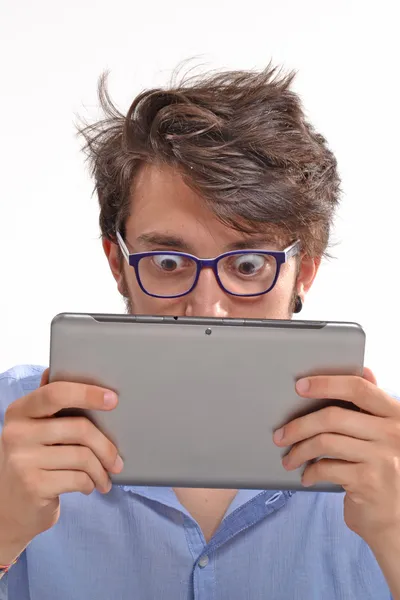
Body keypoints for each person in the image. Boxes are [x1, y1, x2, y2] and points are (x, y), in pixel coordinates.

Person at [0, 64, 399, 600]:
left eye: (249, 265)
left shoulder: (386, 464)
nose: (207, 307)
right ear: (118, 263)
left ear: (303, 270)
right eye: (167, 261)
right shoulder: (12, 429)